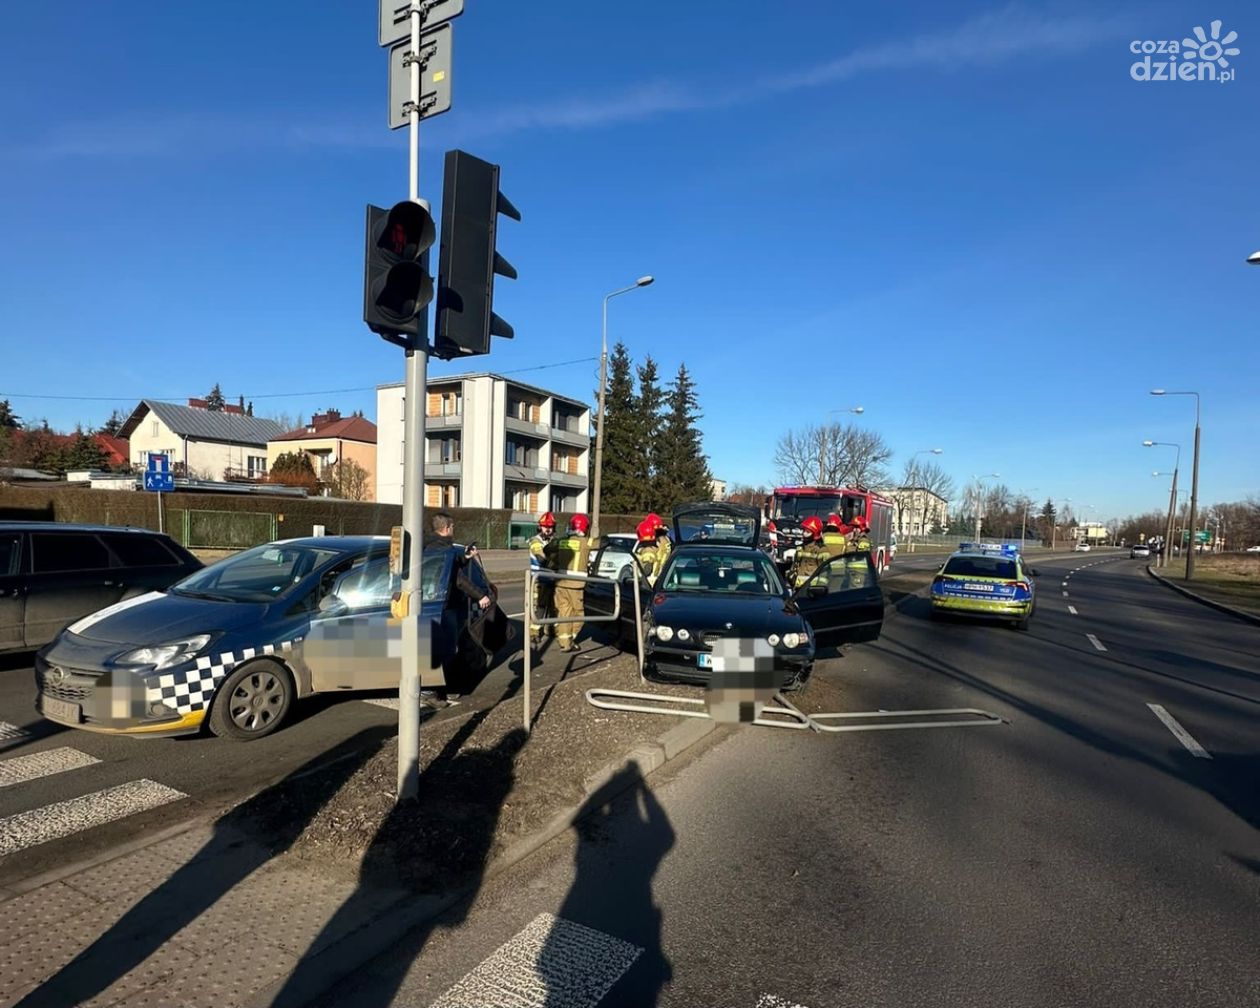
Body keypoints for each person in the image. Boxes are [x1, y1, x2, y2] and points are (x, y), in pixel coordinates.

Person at [428, 510, 492, 612]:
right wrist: (480, 596)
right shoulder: (444, 550)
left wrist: (465, 557)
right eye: (452, 527)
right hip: (445, 603)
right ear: (446, 528)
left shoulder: (431, 545)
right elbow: (458, 578)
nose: (453, 529)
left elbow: (451, 564)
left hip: (432, 599)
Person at [553, 514, 591, 651]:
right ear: (585, 528)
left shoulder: (562, 541)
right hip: (576, 585)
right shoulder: (586, 542)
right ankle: (570, 638)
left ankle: (564, 643)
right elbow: (601, 543)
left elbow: (547, 550)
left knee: (564, 613)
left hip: (560, 583)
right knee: (579, 615)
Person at [527, 511, 558, 647]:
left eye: (550, 527)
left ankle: (549, 629)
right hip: (539, 580)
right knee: (538, 608)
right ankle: (533, 633)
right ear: (540, 527)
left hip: (552, 579)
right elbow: (541, 557)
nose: (548, 529)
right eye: (545, 526)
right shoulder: (536, 541)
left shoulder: (553, 541)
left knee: (552, 607)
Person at [790, 515, 829, 588]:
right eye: (804, 531)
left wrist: (819, 588)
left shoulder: (822, 550)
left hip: (813, 589)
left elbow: (825, 572)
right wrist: (791, 579)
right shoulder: (800, 548)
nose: (804, 534)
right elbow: (794, 566)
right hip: (798, 588)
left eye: (808, 532)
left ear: (815, 534)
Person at [634, 515, 669, 587]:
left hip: (650, 582)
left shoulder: (648, 550)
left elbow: (647, 569)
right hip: (662, 578)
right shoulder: (665, 541)